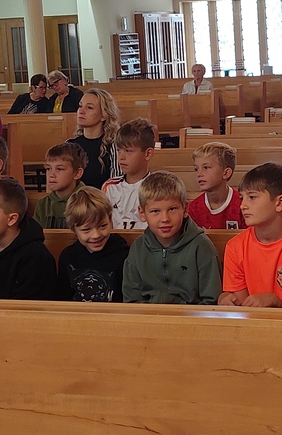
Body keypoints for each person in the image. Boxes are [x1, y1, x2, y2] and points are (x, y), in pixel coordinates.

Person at [219, 163, 282, 308]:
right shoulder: (235, 247)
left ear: (280, 202)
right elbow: (243, 307)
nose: (243, 205)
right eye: (242, 198)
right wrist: (226, 299)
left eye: (252, 197)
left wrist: (275, 302)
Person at [122, 171, 221, 304]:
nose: (165, 219)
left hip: (192, 315)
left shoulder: (201, 247)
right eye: (155, 211)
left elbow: (212, 301)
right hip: (148, 315)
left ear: (185, 209)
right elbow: (131, 300)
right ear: (142, 213)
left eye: (172, 209)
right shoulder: (138, 248)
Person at [57, 187, 128, 302]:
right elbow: (63, 298)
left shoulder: (123, 255)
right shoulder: (68, 257)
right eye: (86, 229)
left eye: (103, 226)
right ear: (73, 228)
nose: (96, 235)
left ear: (110, 220)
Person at [103, 118, 156, 230]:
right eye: (119, 150)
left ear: (148, 154)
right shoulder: (110, 187)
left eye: (128, 151)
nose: (121, 157)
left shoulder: (157, 188)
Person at [188, 140, 243, 230]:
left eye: (206, 167)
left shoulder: (243, 204)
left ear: (226, 173)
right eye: (196, 169)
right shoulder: (193, 209)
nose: (199, 174)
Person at [71, 88, 120, 188]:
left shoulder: (114, 146)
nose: (81, 111)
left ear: (104, 115)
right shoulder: (70, 145)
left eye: (89, 107)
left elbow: (116, 186)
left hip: (104, 197)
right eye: (80, 106)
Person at [32, 141, 85, 230]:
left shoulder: (88, 202)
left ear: (77, 173)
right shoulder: (43, 204)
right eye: (48, 169)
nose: (51, 175)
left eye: (59, 169)